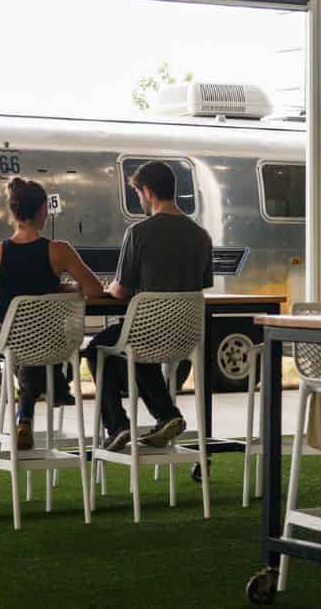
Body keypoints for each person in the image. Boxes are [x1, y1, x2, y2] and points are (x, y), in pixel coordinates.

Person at [0, 176, 105, 450]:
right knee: (38, 342)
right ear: (43, 209)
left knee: (21, 340)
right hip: (52, 341)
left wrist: (7, 308)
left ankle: (26, 414)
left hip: (9, 339)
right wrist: (62, 289)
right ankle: (54, 384)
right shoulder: (60, 250)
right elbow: (94, 289)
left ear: (13, 211)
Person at [87, 160, 214, 451]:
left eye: (139, 195)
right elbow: (202, 285)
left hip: (146, 333)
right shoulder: (201, 236)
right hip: (186, 337)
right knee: (139, 345)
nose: (140, 201)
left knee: (98, 348)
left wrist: (108, 288)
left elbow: (121, 292)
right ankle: (166, 415)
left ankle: (118, 425)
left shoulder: (138, 233)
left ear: (148, 191)